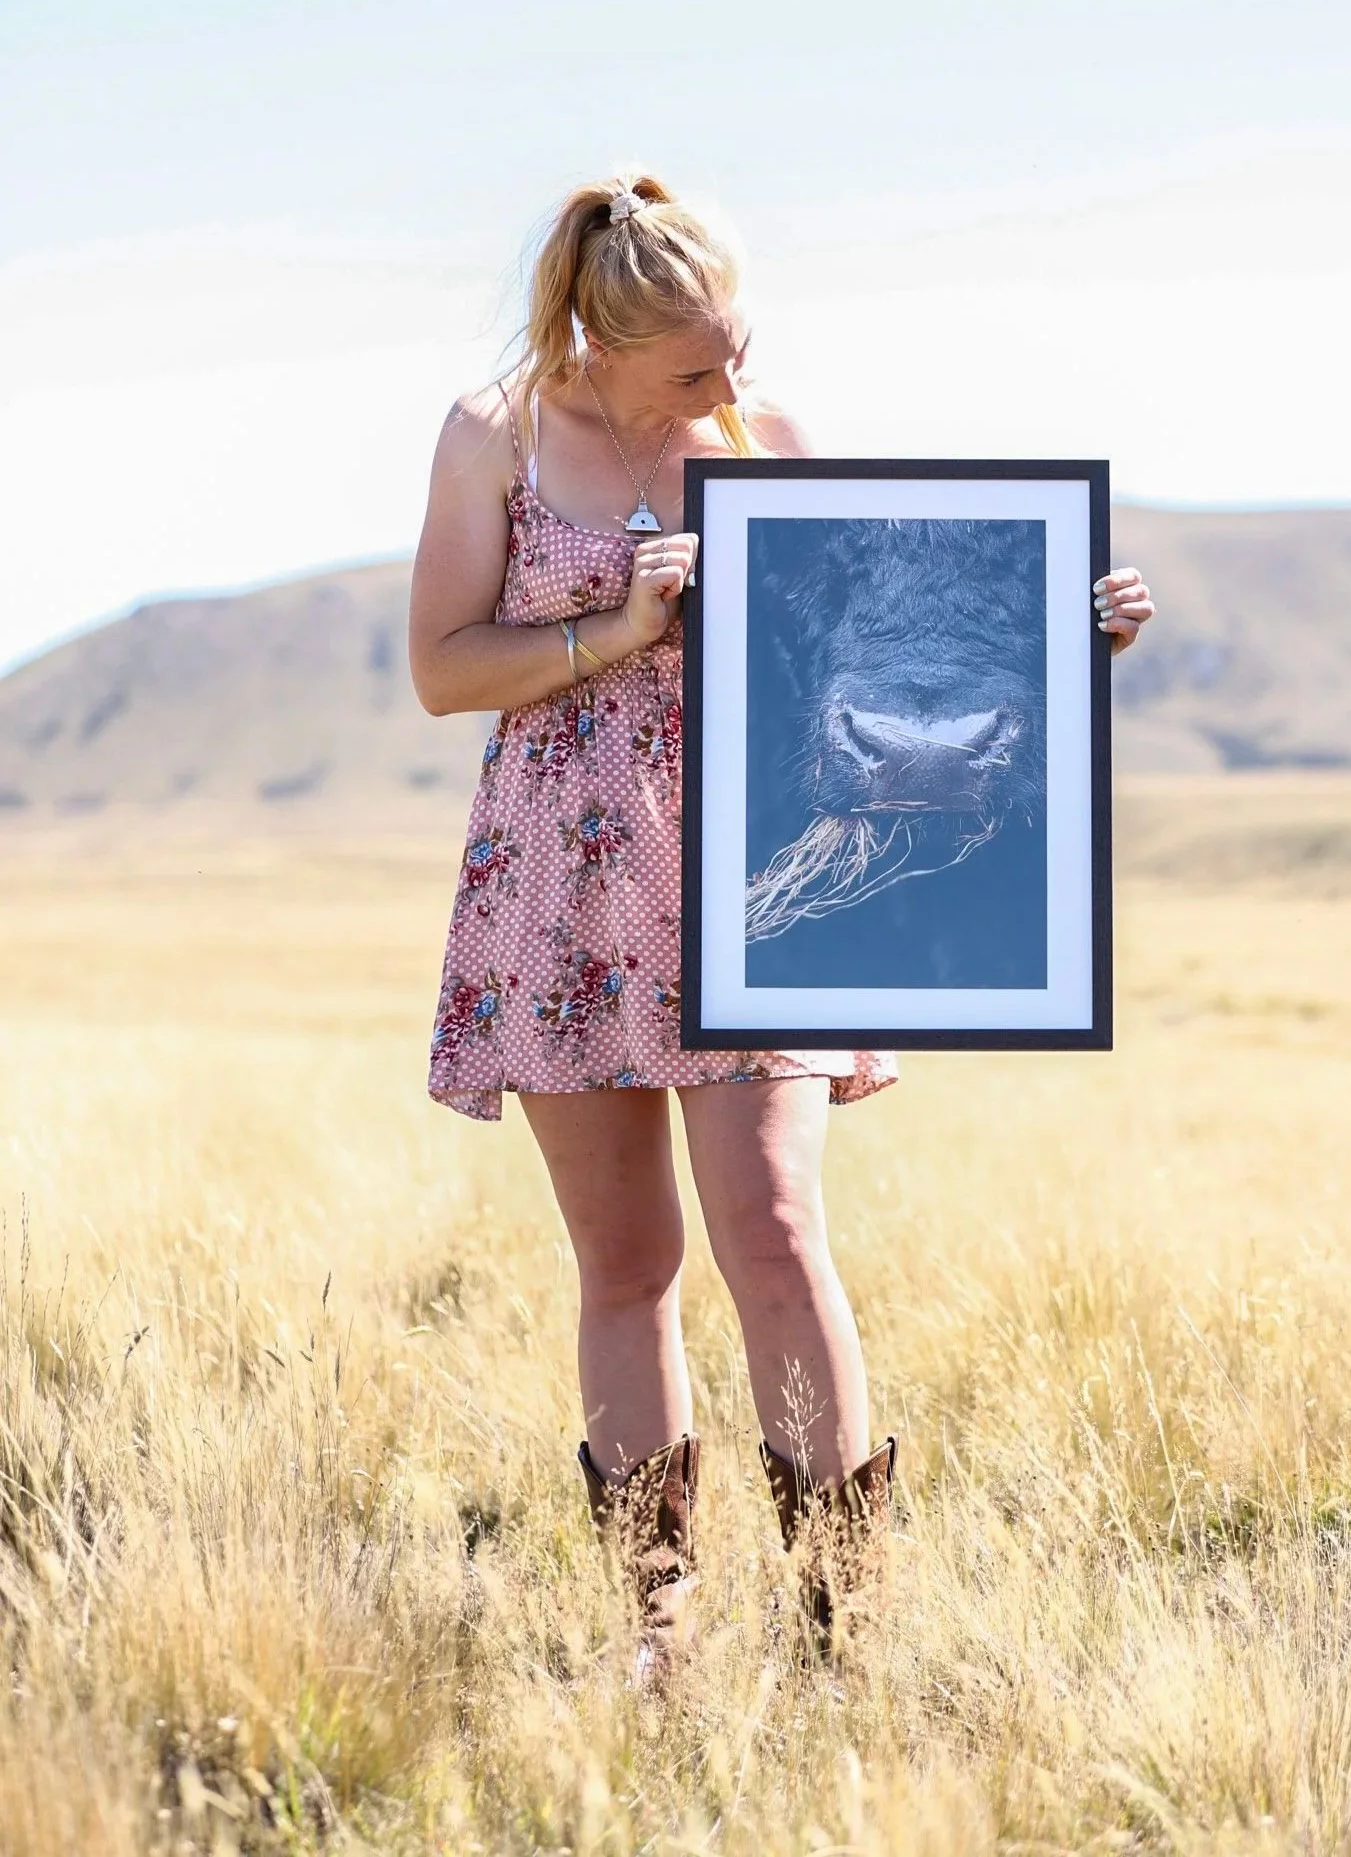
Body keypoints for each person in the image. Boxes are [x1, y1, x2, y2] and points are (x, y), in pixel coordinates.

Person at [408, 171, 1155, 1674]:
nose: (733, 385)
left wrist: (1060, 641)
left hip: (765, 888)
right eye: (696, 367)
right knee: (625, 1266)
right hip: (565, 886)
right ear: (597, 345)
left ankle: (841, 1621)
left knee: (780, 1232)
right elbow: (442, 668)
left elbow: (887, 670)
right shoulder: (492, 437)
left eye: (741, 347)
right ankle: (659, 1621)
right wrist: (609, 631)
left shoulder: (783, 443)